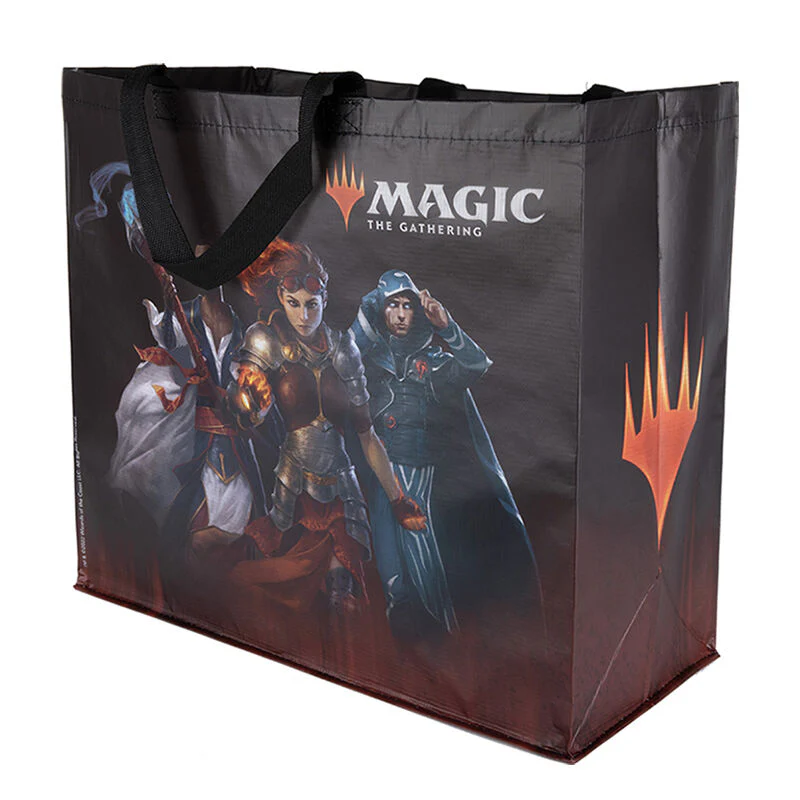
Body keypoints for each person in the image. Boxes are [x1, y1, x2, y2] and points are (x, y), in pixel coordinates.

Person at [227, 241, 425, 615]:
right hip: (292, 485)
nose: (303, 315)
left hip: (342, 487)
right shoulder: (266, 339)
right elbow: (248, 404)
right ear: (281, 299)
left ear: (325, 300)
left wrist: (398, 499)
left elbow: (367, 435)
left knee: (342, 593)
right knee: (283, 594)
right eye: (294, 303)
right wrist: (248, 400)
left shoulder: (343, 349)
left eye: (312, 305)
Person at [350, 270, 539, 641]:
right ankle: (402, 621)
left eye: (407, 306)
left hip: (419, 471)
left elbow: (476, 365)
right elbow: (341, 356)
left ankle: (437, 632)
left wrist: (447, 326)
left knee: (422, 555)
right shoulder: (370, 358)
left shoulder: (434, 362)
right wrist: (369, 305)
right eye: (392, 305)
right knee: (387, 558)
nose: (400, 314)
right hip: (377, 466)